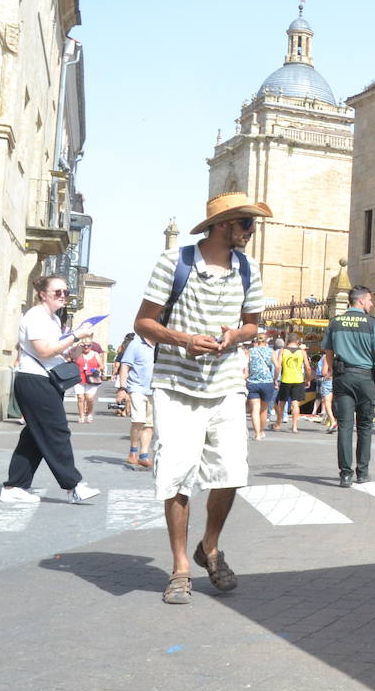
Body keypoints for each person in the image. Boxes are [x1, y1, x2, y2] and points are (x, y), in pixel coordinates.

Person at [134, 192, 268, 606]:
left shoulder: (248, 268)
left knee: (231, 472)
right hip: (176, 385)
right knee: (176, 475)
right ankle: (180, 567)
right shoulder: (174, 263)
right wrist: (183, 339)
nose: (251, 231)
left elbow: (252, 324)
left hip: (226, 384)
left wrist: (234, 337)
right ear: (223, 224)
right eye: (246, 224)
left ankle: (208, 545)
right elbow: (143, 322)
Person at [0, 275, 99, 504]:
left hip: (45, 380)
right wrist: (75, 335)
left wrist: (76, 348)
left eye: (66, 291)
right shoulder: (36, 316)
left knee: (34, 436)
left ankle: (14, 485)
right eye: (58, 292)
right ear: (43, 294)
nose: (63, 295)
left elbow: (58, 353)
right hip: (34, 380)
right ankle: (73, 486)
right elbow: (44, 351)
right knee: (57, 432)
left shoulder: (53, 319)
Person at [322, 285, 375, 487]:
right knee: (365, 427)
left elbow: (328, 352)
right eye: (369, 300)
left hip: (343, 378)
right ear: (360, 301)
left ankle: (345, 475)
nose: (372, 304)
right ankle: (362, 472)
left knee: (345, 427)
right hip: (366, 378)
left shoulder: (335, 323)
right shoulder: (372, 324)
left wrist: (333, 370)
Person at [115, 332, 156, 467]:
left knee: (150, 424)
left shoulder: (161, 344)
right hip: (137, 388)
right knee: (138, 420)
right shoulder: (136, 344)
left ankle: (143, 455)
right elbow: (125, 366)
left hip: (155, 389)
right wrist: (122, 388)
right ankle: (133, 451)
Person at [273, 333, 309, 432]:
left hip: (285, 379)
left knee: (282, 403)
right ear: (297, 341)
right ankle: (294, 427)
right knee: (295, 404)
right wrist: (308, 378)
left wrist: (275, 379)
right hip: (298, 380)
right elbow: (307, 366)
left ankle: (278, 424)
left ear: (288, 340)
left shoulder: (283, 351)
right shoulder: (302, 352)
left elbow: (278, 366)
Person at [244, 334, 275, 440]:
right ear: (266, 341)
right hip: (267, 382)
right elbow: (278, 366)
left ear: (256, 341)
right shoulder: (271, 352)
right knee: (264, 410)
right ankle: (261, 431)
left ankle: (257, 434)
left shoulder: (250, 351)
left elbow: (245, 365)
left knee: (255, 409)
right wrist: (275, 378)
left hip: (253, 382)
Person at [74, 341, 104, 423]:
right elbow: (72, 359)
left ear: (91, 346)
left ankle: (89, 413)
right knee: (80, 398)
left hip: (92, 379)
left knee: (89, 398)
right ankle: (81, 416)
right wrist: (77, 347)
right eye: (84, 345)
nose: (86, 347)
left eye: (88, 345)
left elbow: (101, 366)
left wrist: (95, 370)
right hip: (79, 379)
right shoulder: (78, 353)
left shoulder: (95, 354)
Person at [314, 351, 336, 432]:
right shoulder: (342, 354)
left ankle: (333, 421)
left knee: (327, 403)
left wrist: (328, 374)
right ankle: (337, 421)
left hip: (329, 381)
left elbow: (323, 371)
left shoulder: (327, 356)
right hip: (340, 381)